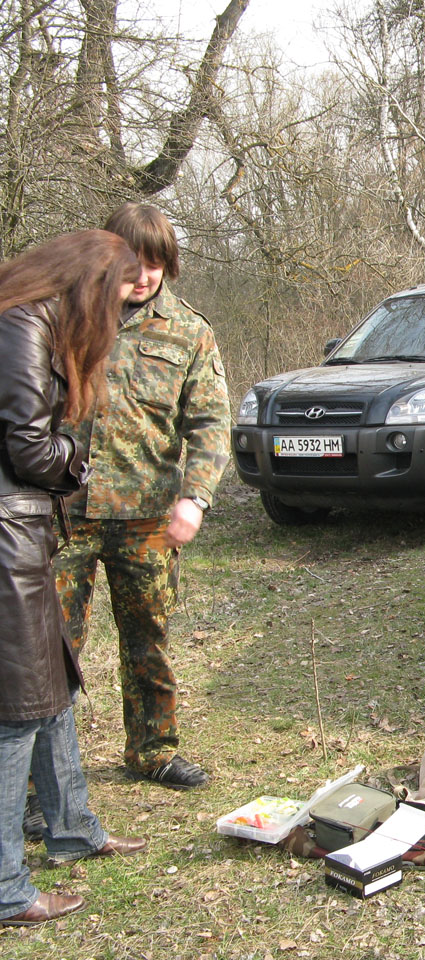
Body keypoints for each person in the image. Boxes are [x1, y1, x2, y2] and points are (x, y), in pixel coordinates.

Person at [53, 203, 231, 791]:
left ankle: (153, 751)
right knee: (50, 651)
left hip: (148, 517)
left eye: (155, 264)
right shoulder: (66, 317)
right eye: (132, 263)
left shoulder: (188, 331)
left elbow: (210, 423)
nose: (144, 276)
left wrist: (194, 498)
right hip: (64, 513)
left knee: (148, 642)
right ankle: (38, 782)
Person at [0, 231, 148, 927]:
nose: (117, 313)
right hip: (6, 540)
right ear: (89, 285)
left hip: (23, 534)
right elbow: (29, 447)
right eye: (116, 297)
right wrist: (76, 457)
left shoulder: (36, 323)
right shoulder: (22, 325)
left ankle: (72, 827)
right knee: (15, 711)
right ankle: (7, 887)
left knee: (51, 689)